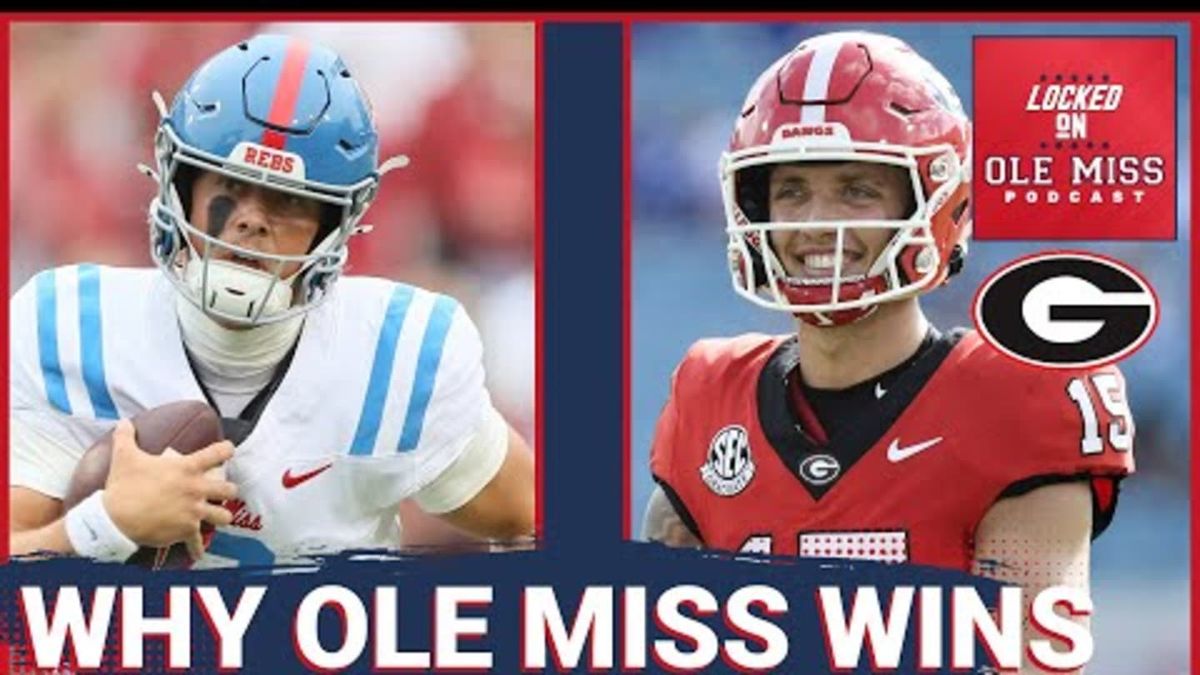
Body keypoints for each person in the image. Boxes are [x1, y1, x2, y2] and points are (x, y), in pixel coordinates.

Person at [642, 30, 1133, 664]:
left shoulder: (1016, 396)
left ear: (933, 201)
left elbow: (1034, 656)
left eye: (857, 189)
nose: (817, 223)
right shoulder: (710, 393)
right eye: (792, 190)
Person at [10, 33, 535, 567]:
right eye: (229, 185)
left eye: (287, 200)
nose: (251, 220)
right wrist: (105, 525)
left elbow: (533, 522)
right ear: (179, 185)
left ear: (335, 225)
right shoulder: (72, 328)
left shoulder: (396, 356)